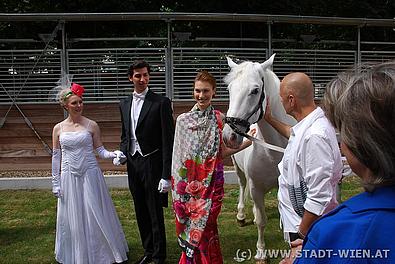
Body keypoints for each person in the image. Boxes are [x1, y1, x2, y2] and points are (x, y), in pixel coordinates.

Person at [294, 62, 395, 263]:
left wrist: (305, 253)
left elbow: (319, 191)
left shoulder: (340, 231)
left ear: (363, 145)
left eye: (343, 131)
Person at [171, 70, 255, 264]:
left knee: (208, 227)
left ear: (214, 92)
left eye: (206, 91)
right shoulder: (183, 121)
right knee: (193, 230)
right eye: (197, 91)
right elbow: (178, 159)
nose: (201, 95)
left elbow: (223, 152)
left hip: (212, 187)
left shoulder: (219, 119)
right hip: (189, 190)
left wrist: (249, 143)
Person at [51, 83, 128, 264]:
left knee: (95, 212)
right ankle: (77, 253)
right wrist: (55, 182)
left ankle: (101, 251)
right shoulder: (58, 129)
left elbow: (100, 151)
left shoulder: (91, 125)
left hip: (90, 174)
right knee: (73, 215)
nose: (79, 106)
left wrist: (113, 154)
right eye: (74, 103)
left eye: (80, 102)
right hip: (69, 175)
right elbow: (56, 157)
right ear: (65, 106)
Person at [264, 72, 342, 244]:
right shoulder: (309, 126)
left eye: (281, 98)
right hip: (302, 223)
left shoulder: (314, 136)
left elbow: (319, 194)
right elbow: (292, 134)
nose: (281, 101)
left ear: (291, 100)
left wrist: (301, 234)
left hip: (307, 229)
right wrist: (269, 119)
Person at [117, 59, 174, 264]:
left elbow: (168, 140)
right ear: (131, 78)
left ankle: (159, 255)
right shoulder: (124, 103)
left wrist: (166, 175)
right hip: (133, 163)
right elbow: (126, 135)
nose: (142, 79)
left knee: (154, 210)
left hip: (152, 162)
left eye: (146, 75)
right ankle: (148, 250)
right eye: (138, 75)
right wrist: (122, 153)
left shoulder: (161, 102)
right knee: (140, 208)